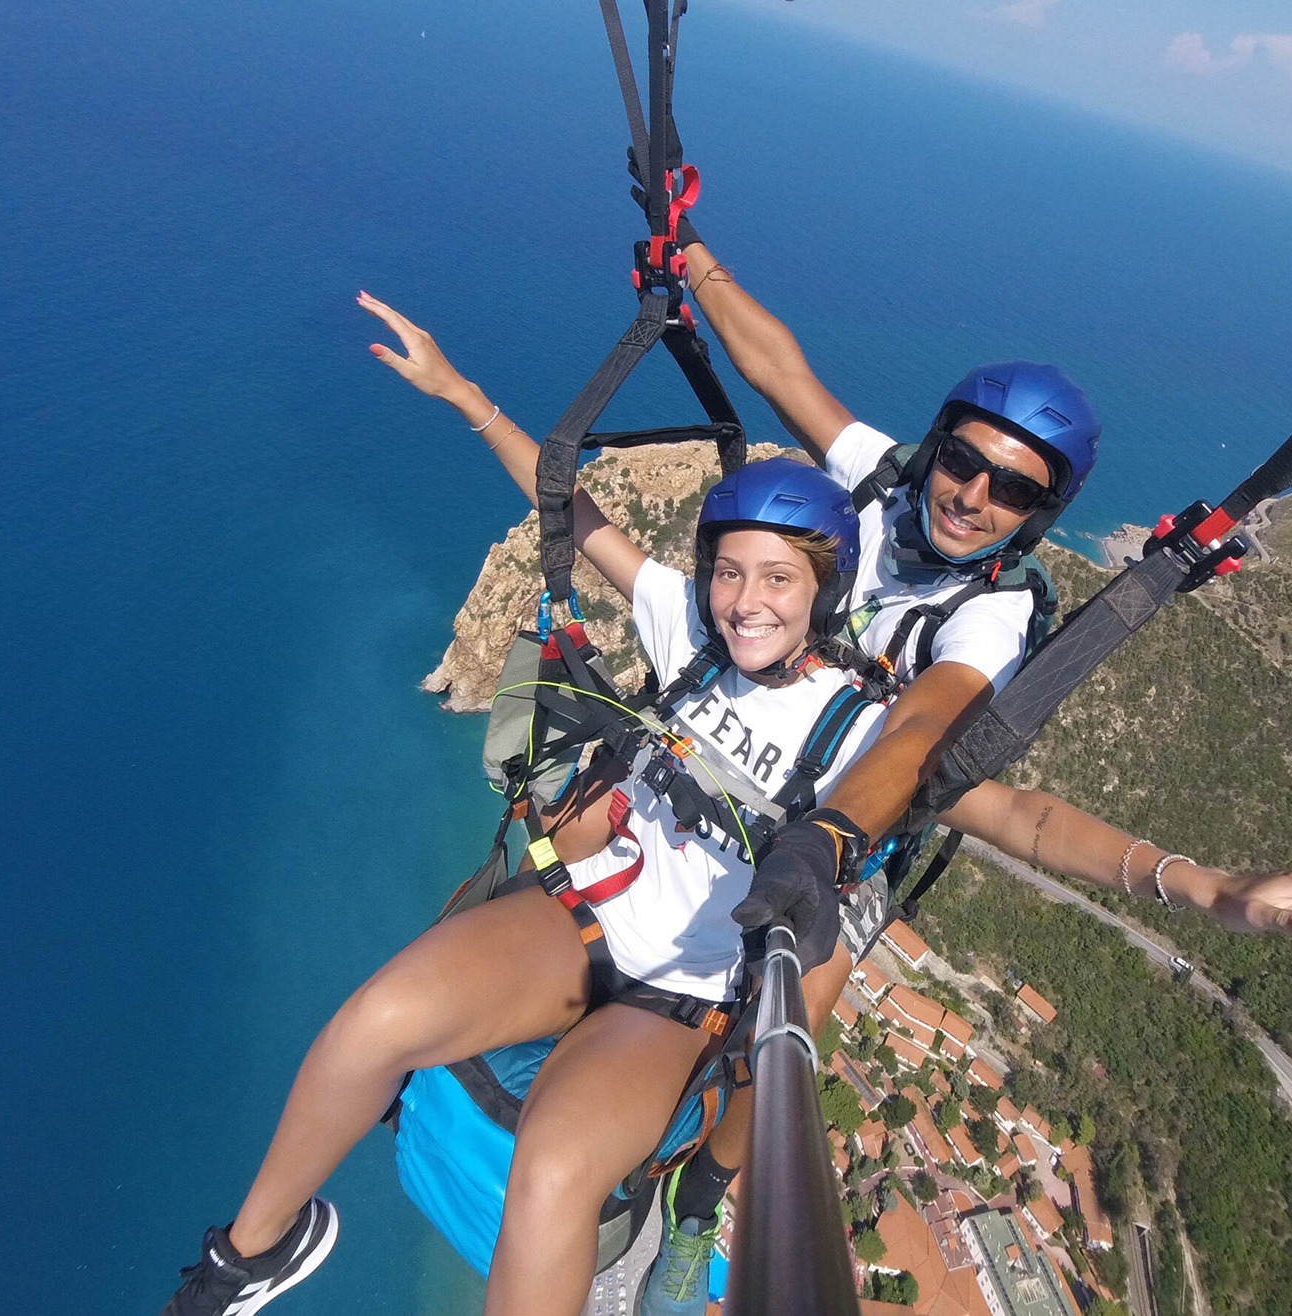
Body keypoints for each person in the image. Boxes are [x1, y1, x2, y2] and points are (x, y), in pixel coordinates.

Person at [360, 289, 1292, 1316]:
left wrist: (1213, 886)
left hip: (847, 815)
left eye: (1008, 489)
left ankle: (696, 1202)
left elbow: (944, 755)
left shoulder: (992, 611)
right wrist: (687, 262)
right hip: (734, 753)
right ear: (934, 450)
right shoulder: (883, 485)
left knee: (791, 1008)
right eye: (959, 460)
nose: (969, 495)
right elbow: (777, 372)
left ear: (1036, 511)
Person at [157, 312, 900, 1315]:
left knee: (554, 1170)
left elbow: (1010, 808)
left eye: (779, 578)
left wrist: (1169, 876)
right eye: (729, 569)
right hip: (577, 914)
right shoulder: (686, 624)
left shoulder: (859, 727)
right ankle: (244, 1263)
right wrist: (464, 394)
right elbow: (573, 514)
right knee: (371, 1022)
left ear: (826, 590)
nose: (742, 599)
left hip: (680, 998)